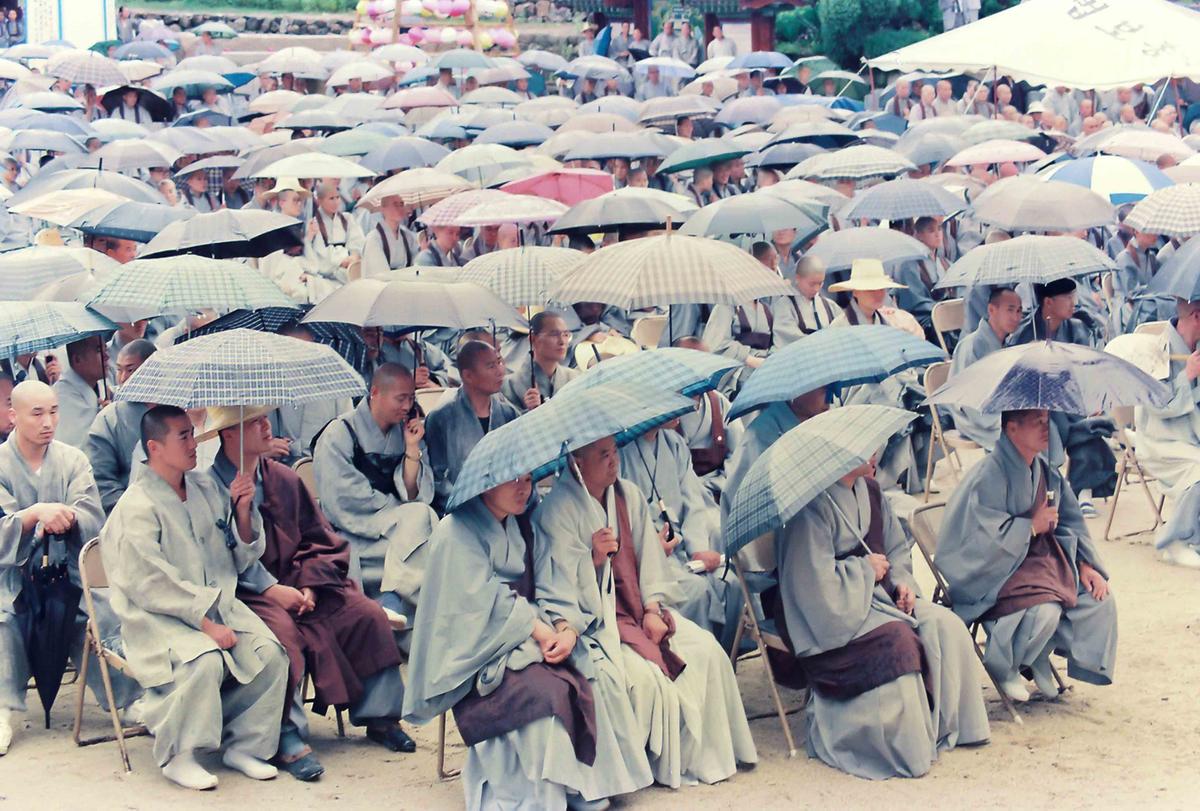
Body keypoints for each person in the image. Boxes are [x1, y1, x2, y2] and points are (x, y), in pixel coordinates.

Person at [407, 472, 653, 809]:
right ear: (486, 482)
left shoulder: (524, 523)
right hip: (478, 650)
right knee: (545, 695)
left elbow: (551, 582)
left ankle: (584, 787)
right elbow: (478, 602)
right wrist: (536, 629)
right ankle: (544, 794)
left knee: (591, 675)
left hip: (530, 637)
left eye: (527, 479)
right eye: (513, 481)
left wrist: (565, 628)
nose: (524, 488)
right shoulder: (455, 531)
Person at [204, 408, 412, 780]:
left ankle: (381, 716)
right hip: (248, 594)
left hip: (302, 583)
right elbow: (217, 562)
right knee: (283, 639)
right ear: (229, 434)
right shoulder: (208, 489)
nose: (267, 425)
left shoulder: (283, 478)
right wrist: (271, 589)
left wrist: (310, 585)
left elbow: (319, 539)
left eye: (265, 417)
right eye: (254, 421)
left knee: (365, 614)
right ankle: (285, 733)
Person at [101, 405, 288, 790]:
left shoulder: (205, 487)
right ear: (154, 447)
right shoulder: (135, 506)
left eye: (192, 433)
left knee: (270, 654)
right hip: (158, 617)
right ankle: (179, 755)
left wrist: (242, 512)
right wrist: (205, 624)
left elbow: (238, 556)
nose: (194, 444)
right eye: (183, 436)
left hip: (217, 605)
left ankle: (245, 745)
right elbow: (150, 582)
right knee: (203, 659)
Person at [773, 449, 989, 779]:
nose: (875, 454)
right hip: (833, 612)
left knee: (946, 624)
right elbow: (811, 582)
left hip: (880, 597)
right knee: (897, 640)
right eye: (866, 450)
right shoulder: (809, 507)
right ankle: (902, 748)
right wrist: (863, 569)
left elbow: (897, 550)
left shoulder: (871, 491)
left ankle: (948, 727)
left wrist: (903, 584)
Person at [0, 381, 141, 757]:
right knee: (4, 619)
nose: (48, 422)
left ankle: (126, 700)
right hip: (12, 576)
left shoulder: (73, 460)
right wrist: (33, 516)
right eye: (37, 413)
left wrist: (69, 517)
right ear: (13, 416)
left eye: (54, 411)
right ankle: (3, 710)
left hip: (68, 572)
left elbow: (92, 515)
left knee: (96, 613)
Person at [938, 409, 1117, 701]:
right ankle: (1004, 666)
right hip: (994, 570)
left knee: (1097, 600)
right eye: (1037, 423)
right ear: (1012, 429)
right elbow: (979, 539)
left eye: (1047, 421)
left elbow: (1070, 521)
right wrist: (1030, 527)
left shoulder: (1045, 470)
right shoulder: (989, 475)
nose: (1046, 429)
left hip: (1040, 561)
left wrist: (1085, 564)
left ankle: (1037, 654)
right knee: (1046, 609)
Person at [312, 364, 437, 616]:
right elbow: (342, 499)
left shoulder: (405, 431)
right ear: (376, 392)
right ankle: (394, 601)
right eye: (400, 398)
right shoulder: (339, 433)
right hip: (355, 531)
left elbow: (414, 495)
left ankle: (394, 602)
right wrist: (398, 512)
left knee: (424, 523)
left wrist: (412, 449)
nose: (407, 406)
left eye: (411, 398)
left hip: (399, 527)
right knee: (424, 534)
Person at [618, 420, 741, 647]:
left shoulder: (675, 443)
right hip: (650, 558)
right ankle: (698, 661)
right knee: (697, 592)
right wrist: (650, 546)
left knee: (731, 583)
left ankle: (726, 656)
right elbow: (620, 516)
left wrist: (698, 549)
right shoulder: (620, 451)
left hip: (683, 550)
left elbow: (693, 502)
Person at [1010, 279, 1116, 513]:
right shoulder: (1026, 333)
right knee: (1045, 431)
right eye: (1067, 297)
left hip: (1071, 399)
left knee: (1089, 426)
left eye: (1073, 297)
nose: (1073, 303)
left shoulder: (1076, 328)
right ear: (1048, 302)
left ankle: (1083, 490)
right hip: (1038, 404)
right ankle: (1049, 491)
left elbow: (1085, 370)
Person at [1133, 298, 1200, 568]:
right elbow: (1157, 405)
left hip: (1191, 437)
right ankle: (1173, 541)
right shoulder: (1155, 350)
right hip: (1159, 441)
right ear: (1196, 316)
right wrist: (1187, 375)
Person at [424, 341, 519, 511]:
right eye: (491, 366)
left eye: (499, 362)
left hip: (504, 507)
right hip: (460, 510)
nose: (500, 371)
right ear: (468, 376)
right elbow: (436, 480)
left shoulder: (508, 413)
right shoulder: (441, 418)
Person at [946, 287, 1023, 450]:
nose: (1016, 317)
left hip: (1002, 410)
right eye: (1010, 310)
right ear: (991, 310)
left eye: (1019, 311)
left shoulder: (1006, 343)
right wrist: (1006, 419)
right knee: (1024, 435)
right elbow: (969, 400)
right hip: (975, 416)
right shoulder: (972, 346)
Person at [86, 339, 157, 513]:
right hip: (130, 512)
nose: (123, 378)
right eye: (119, 370)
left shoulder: (176, 411)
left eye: (130, 370)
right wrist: (131, 513)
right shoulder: (109, 419)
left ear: (153, 369)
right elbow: (102, 480)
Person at [502, 311, 580, 412]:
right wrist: (529, 412)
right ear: (533, 339)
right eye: (554, 334)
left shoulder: (575, 378)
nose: (562, 341)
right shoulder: (509, 385)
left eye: (565, 334)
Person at [893, 216, 951, 338]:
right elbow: (914, 301)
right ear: (919, 235)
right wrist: (940, 309)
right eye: (931, 231)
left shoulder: (946, 263)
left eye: (939, 229)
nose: (937, 235)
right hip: (924, 318)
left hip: (945, 312)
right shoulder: (909, 265)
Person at [52, 335, 109, 448]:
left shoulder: (103, 387)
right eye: (98, 350)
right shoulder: (61, 395)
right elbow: (76, 445)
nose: (106, 356)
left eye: (105, 349)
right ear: (77, 359)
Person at [307, 181, 365, 284]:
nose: (336, 202)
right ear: (319, 200)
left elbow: (358, 242)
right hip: (326, 276)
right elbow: (319, 253)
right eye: (331, 198)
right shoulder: (314, 223)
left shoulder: (347, 218)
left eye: (337, 197)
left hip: (349, 270)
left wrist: (354, 256)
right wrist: (341, 261)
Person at [362, 195, 420, 276]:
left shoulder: (407, 236)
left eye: (401, 204)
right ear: (383, 209)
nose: (399, 208)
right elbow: (380, 274)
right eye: (395, 204)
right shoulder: (374, 239)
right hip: (383, 281)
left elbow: (416, 264)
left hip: (407, 280)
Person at [789, 256, 837, 334]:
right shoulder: (785, 306)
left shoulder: (830, 305)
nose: (816, 289)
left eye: (820, 283)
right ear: (798, 278)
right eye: (812, 284)